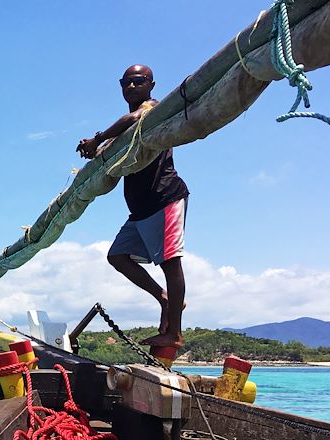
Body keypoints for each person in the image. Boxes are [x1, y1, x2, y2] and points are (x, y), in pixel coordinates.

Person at [76, 64, 190, 348]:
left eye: (138, 81)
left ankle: (174, 332)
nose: (130, 86)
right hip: (140, 210)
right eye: (125, 82)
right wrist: (96, 148)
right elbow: (117, 137)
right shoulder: (125, 129)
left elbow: (134, 118)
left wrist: (97, 138)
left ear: (151, 84)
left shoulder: (152, 108)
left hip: (164, 198)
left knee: (170, 264)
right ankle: (164, 299)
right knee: (117, 256)